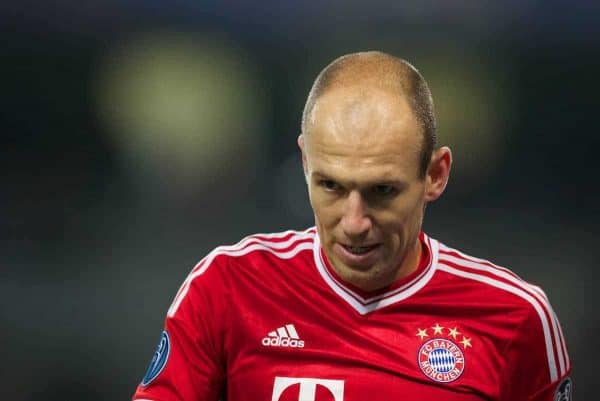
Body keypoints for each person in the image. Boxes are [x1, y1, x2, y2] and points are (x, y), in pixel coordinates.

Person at [132, 51, 572, 401]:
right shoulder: (227, 289)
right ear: (305, 163)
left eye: (382, 191)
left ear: (435, 175)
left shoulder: (515, 319)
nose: (355, 222)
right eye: (331, 186)